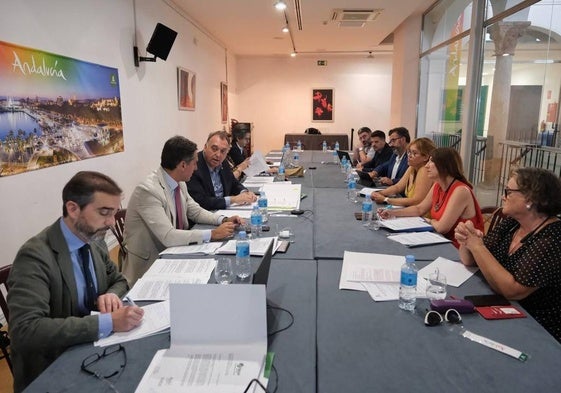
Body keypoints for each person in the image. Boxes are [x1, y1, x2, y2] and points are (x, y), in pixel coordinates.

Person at [7, 171, 144, 392]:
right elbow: (25, 330)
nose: (110, 223)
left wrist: (110, 293)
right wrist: (107, 322)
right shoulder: (35, 256)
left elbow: (119, 280)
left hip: (95, 352)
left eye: (114, 213)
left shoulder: (93, 241)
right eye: (104, 213)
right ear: (73, 209)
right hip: (54, 368)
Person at [455, 168, 561, 343]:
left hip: (538, 330)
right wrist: (467, 239)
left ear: (531, 199)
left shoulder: (553, 237)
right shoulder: (512, 223)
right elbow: (470, 260)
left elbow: (513, 290)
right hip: (503, 310)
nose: (504, 196)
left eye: (509, 192)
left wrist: (477, 246)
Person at [122, 135, 244, 284]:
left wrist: (223, 219)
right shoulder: (148, 191)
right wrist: (212, 234)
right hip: (150, 267)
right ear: (183, 166)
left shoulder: (179, 182)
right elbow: (168, 236)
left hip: (175, 252)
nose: (197, 168)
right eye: (194, 163)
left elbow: (195, 211)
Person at [379, 147, 483, 247]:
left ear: (444, 166)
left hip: (457, 248)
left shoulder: (460, 191)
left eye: (431, 162)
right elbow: (419, 209)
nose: (427, 166)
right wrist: (392, 213)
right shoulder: (438, 185)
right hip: (439, 240)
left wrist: (430, 220)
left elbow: (442, 228)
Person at [187, 130, 257, 210]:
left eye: (223, 151)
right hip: (206, 214)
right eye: (214, 149)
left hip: (224, 211)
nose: (218, 155)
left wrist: (244, 193)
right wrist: (233, 199)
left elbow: (233, 183)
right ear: (205, 147)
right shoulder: (194, 166)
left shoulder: (223, 162)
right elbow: (201, 201)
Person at [370, 137, 435, 207]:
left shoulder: (424, 170)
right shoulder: (412, 167)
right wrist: (380, 193)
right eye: (409, 152)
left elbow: (416, 200)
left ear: (425, 157)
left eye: (415, 153)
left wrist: (385, 199)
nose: (409, 156)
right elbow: (398, 187)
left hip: (421, 215)